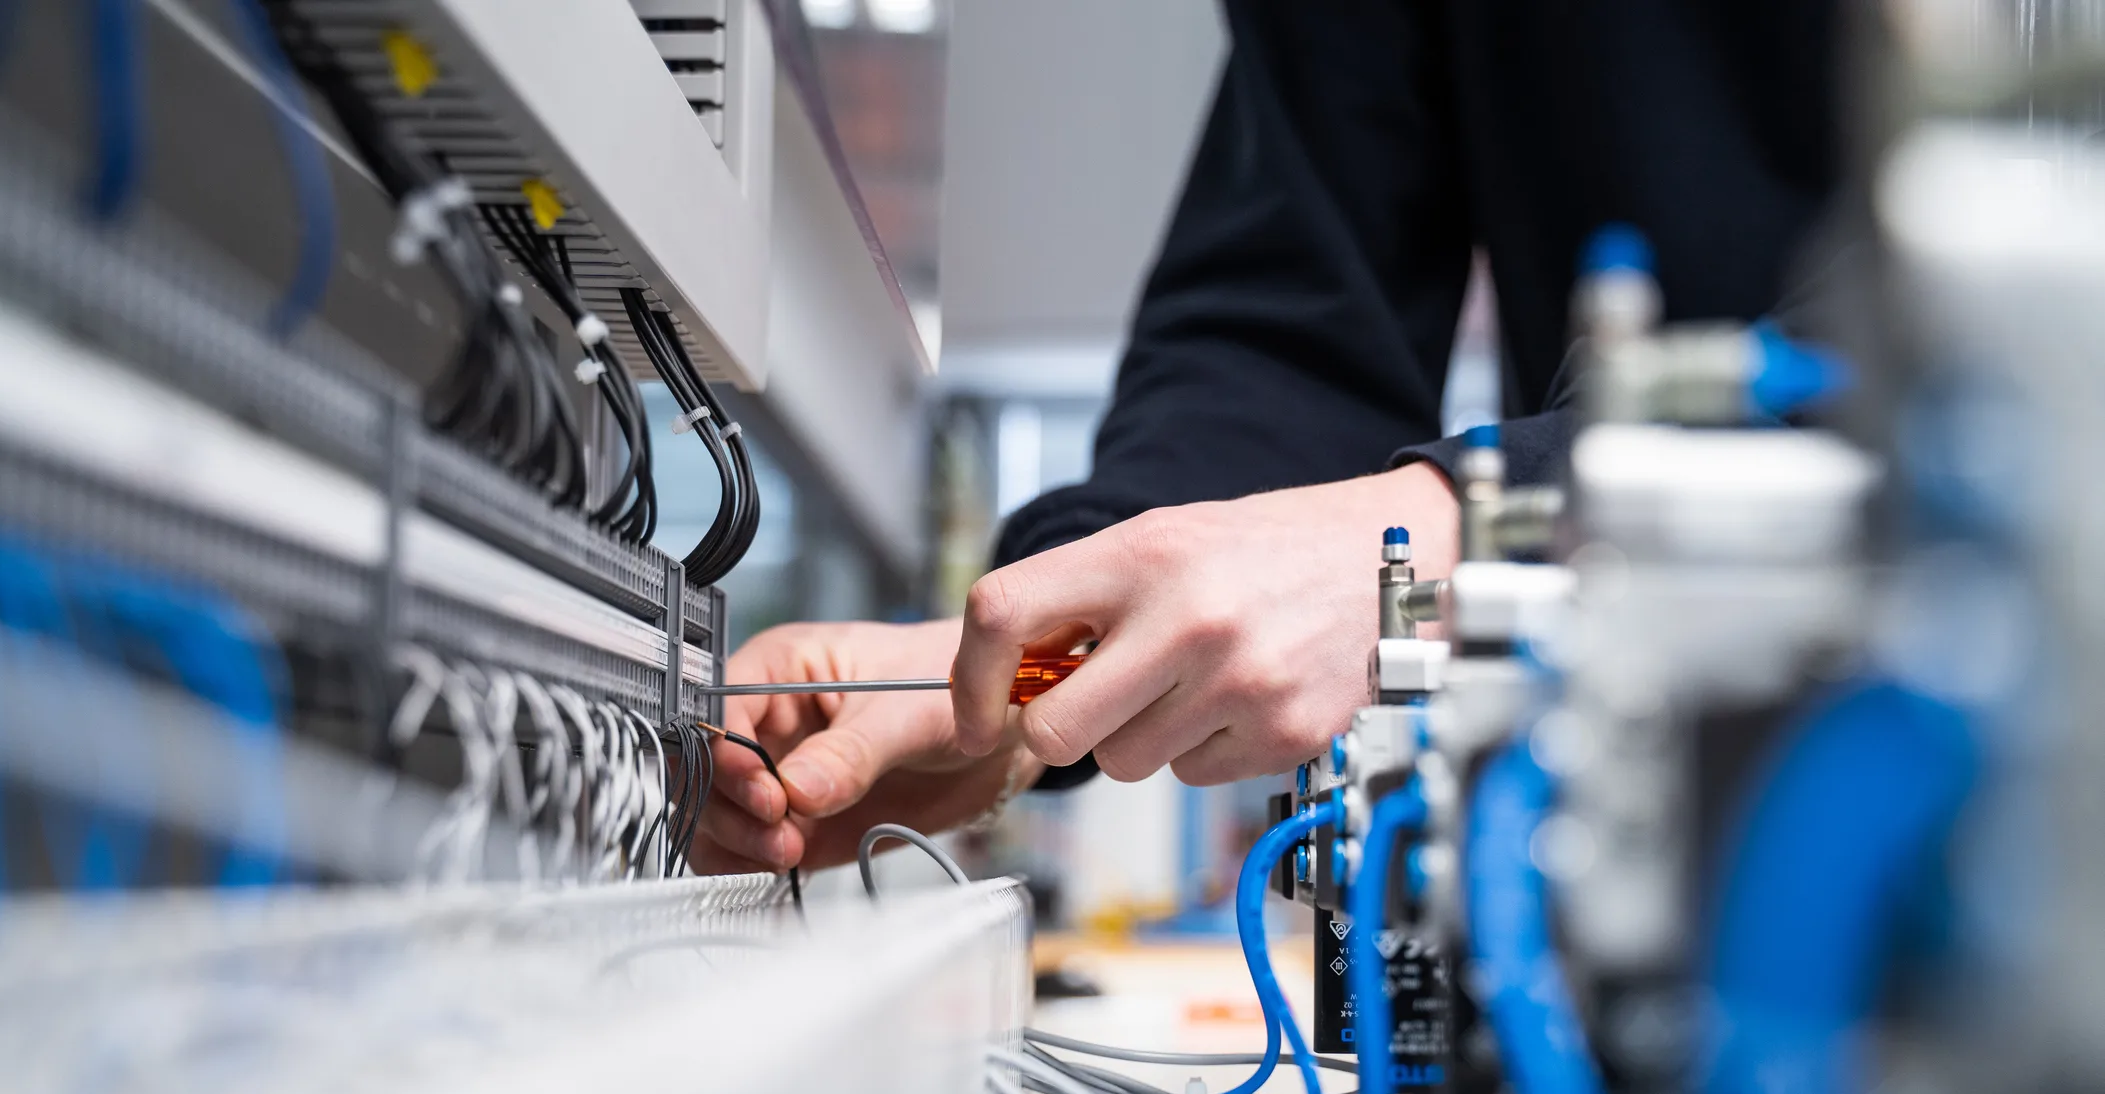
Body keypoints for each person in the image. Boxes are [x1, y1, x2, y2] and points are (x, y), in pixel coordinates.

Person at [692, 0, 1840, 876]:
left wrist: (1443, 535)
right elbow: (1283, 329)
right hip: (1672, 835)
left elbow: (1962, 339)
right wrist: (1023, 674)